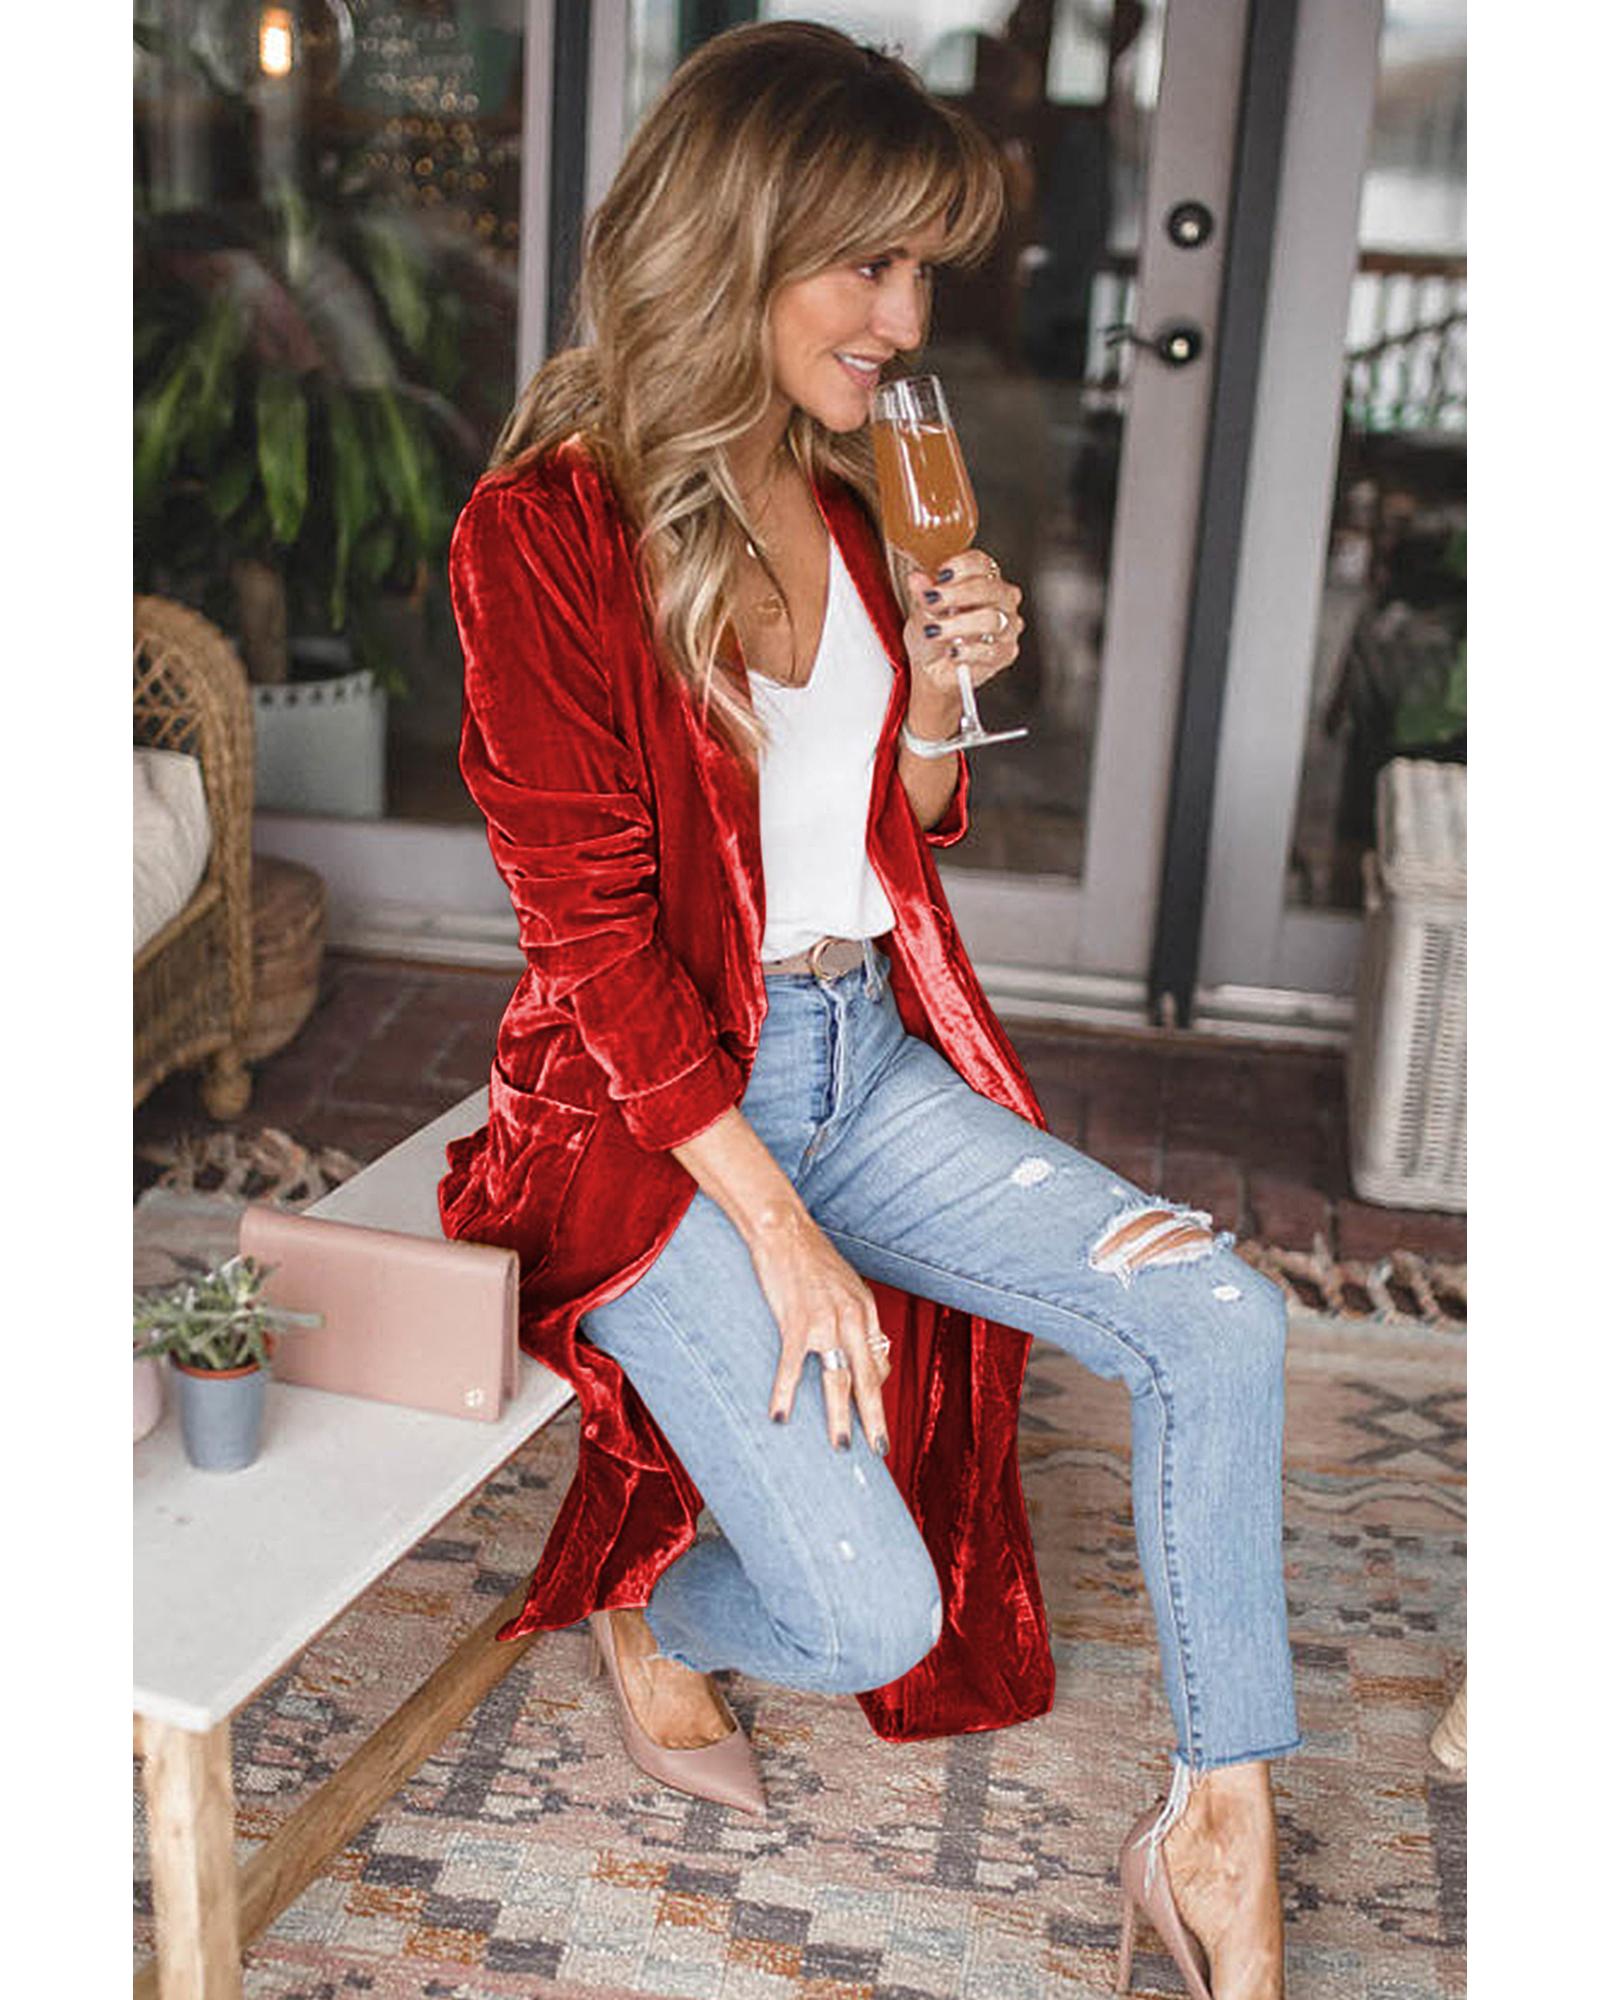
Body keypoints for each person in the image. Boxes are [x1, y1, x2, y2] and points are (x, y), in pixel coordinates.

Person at [440, 23, 1297, 1999]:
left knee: (1219, 1313)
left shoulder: (845, 494)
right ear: (736, 241)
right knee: (863, 1618)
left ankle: (1215, 1831)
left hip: (859, 1060)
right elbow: (592, 945)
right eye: (873, 265)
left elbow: (878, 836)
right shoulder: (542, 533)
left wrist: (933, 690)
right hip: (651, 1126)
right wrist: (777, 1225)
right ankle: (647, 1588)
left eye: (923, 269)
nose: (910, 320)